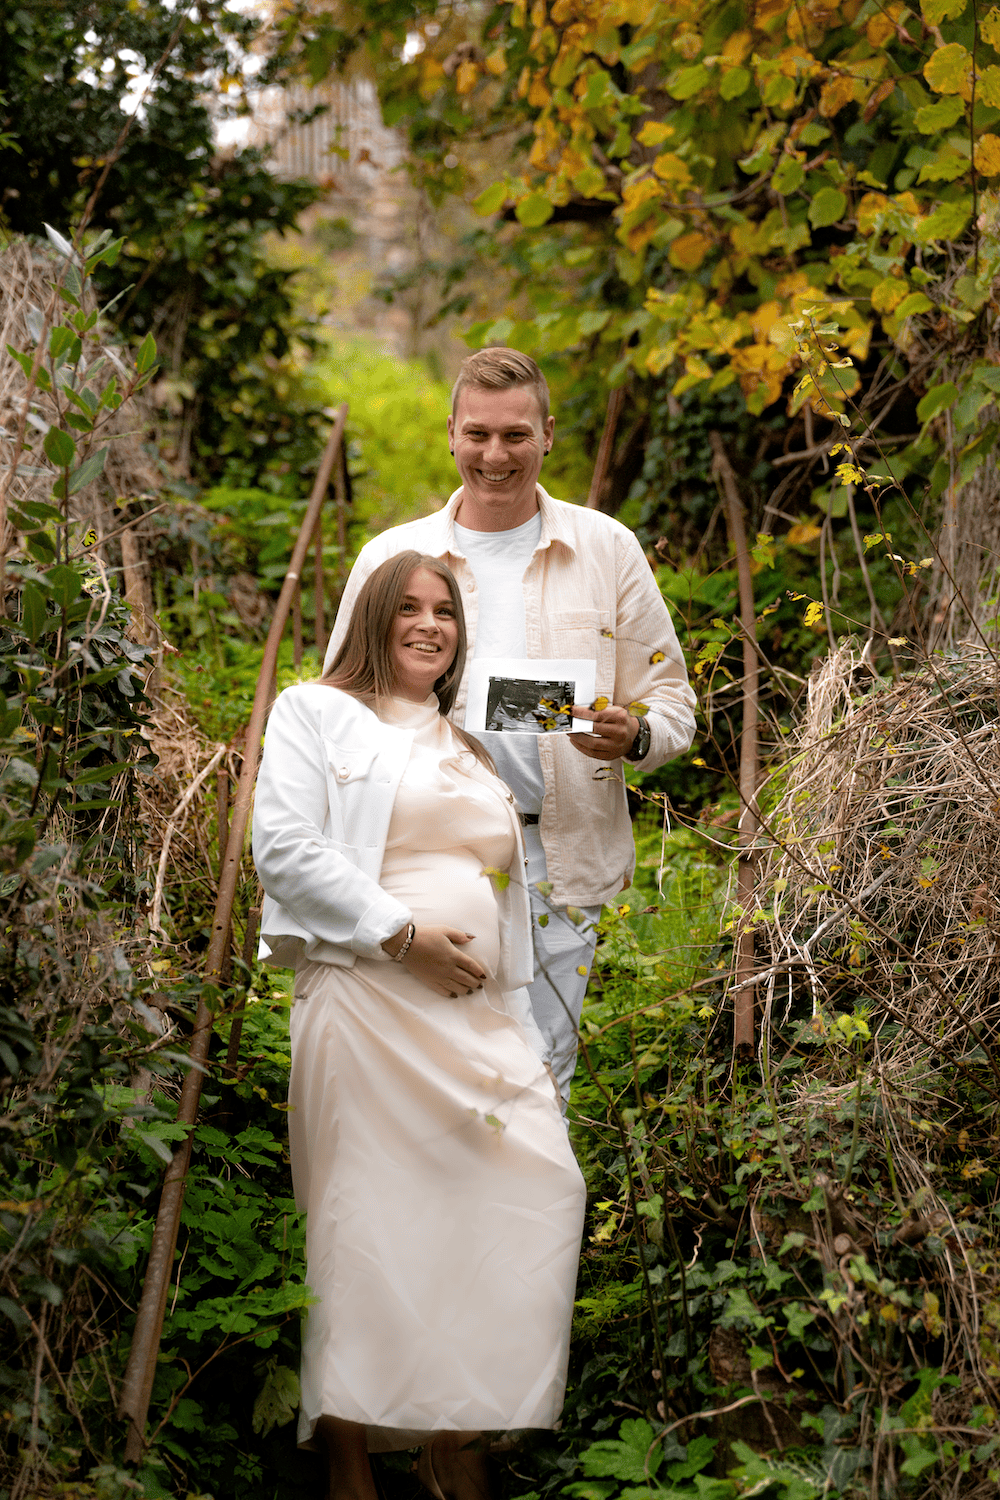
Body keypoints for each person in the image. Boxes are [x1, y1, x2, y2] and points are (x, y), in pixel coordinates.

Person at [252, 551, 587, 1500]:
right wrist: (400, 937)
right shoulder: (315, 712)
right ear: (372, 618)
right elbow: (284, 846)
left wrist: (514, 1019)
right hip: (368, 996)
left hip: (479, 1016)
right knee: (366, 1222)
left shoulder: (469, 744)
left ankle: (454, 1428)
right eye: (408, 607)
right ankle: (350, 1454)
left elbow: (512, 886)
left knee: (537, 1188)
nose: (429, 624)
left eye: (444, 611)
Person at [323, 349, 697, 1104]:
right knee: (434, 1068)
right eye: (478, 435)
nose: (496, 456)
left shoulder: (606, 550)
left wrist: (637, 735)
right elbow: (337, 713)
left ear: (548, 435)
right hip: (425, 855)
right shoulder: (391, 557)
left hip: (557, 854)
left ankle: (530, 1219)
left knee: (540, 1073)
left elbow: (673, 702)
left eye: (516, 436)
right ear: (451, 434)